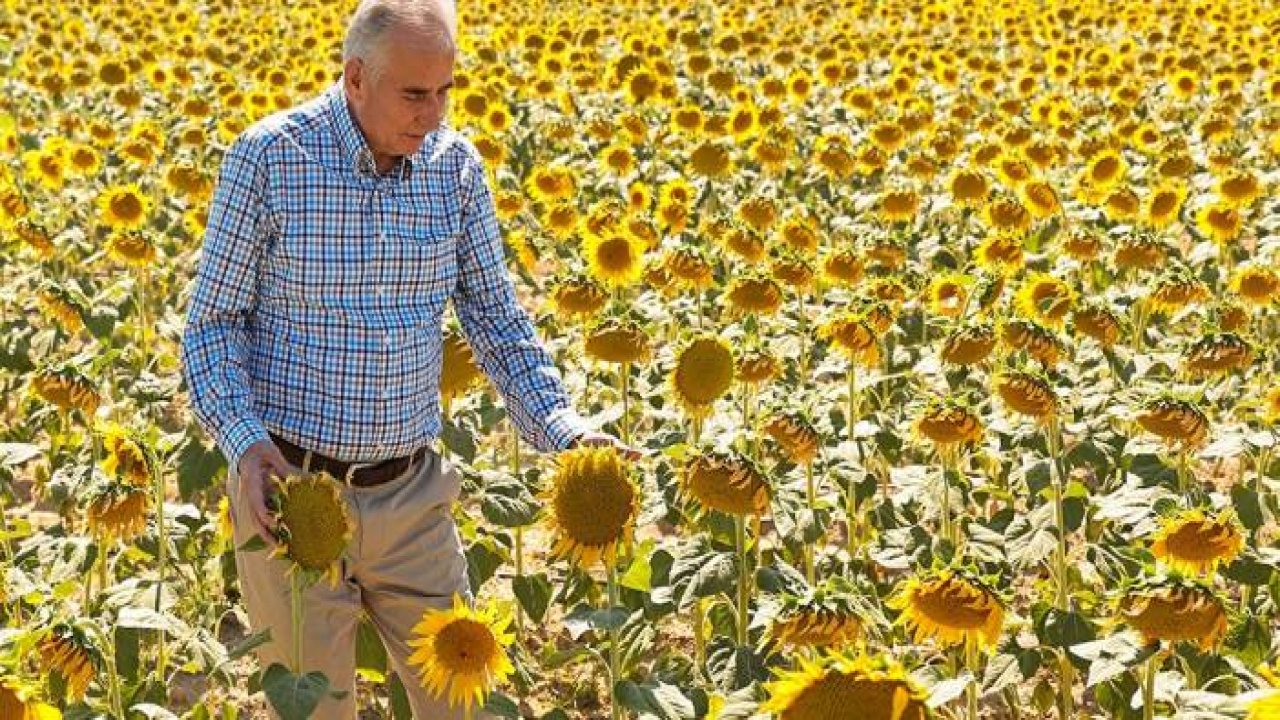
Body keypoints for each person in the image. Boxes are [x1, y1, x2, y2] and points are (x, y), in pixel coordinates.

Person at [179, 0, 634, 716]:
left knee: (462, 700)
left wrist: (561, 427)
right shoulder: (271, 158)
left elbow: (493, 318)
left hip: (412, 496)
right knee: (317, 707)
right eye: (415, 94)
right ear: (355, 77)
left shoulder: (453, 171)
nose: (433, 113)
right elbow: (212, 324)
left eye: (446, 90)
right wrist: (244, 442)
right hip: (290, 497)